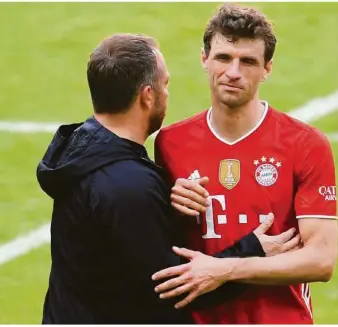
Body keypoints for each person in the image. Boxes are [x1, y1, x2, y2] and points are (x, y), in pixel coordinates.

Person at [36, 33, 297, 324]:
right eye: (165, 84)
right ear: (147, 96)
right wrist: (253, 251)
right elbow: (172, 289)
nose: (167, 93)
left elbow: (118, 243)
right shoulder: (128, 185)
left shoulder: (81, 151)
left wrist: (168, 204)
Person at [153, 3, 337, 325]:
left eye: (248, 61)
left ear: (267, 68)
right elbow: (158, 239)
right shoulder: (170, 143)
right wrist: (169, 202)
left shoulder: (306, 144)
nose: (234, 72)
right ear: (204, 59)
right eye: (223, 58)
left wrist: (225, 269)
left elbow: (322, 261)